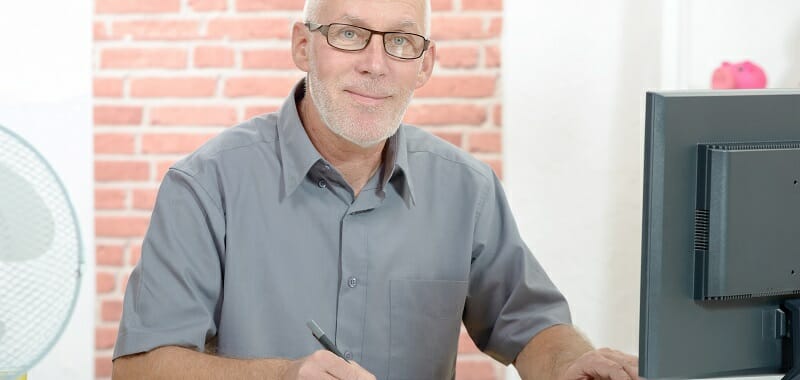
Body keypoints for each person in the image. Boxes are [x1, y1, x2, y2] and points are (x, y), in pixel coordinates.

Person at [111, 0, 639, 379]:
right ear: (303, 46)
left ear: (425, 65)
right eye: (348, 33)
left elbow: (532, 326)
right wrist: (284, 375)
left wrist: (572, 364)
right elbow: (139, 368)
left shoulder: (467, 190)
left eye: (401, 41)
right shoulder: (204, 186)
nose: (375, 63)